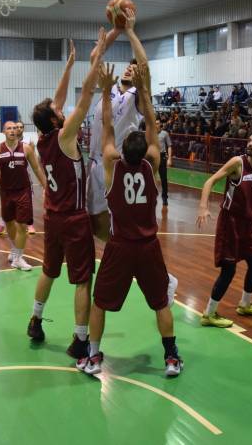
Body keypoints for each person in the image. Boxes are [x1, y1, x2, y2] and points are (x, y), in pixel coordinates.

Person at [78, 62, 183, 377]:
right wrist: (146, 94)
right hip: (148, 246)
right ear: (150, 149)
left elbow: (107, 125)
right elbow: (151, 121)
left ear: (122, 148)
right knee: (161, 304)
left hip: (120, 247)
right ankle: (172, 357)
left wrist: (107, 91)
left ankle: (94, 357)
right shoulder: (153, 165)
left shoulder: (111, 166)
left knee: (100, 303)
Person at [27, 31, 106, 360]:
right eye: (57, 110)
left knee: (49, 270)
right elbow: (87, 95)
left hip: (52, 216)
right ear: (56, 120)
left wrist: (68, 66)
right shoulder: (65, 135)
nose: (60, 108)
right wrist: (96, 59)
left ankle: (35, 318)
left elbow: (56, 102)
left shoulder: (44, 137)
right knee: (82, 279)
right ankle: (79, 339)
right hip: (73, 220)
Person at [196, 128, 252, 328]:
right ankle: (209, 313)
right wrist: (203, 207)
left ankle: (245, 303)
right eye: (249, 141)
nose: (250, 144)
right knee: (229, 270)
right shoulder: (237, 163)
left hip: (247, 224)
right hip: (230, 221)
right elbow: (210, 181)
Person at [87, 8, 146, 242]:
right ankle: (122, 255)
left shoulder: (138, 95)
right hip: (95, 161)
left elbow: (143, 64)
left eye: (135, 67)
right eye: (128, 65)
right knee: (95, 222)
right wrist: (116, 30)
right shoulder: (109, 86)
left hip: (118, 164)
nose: (130, 67)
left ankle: (142, 263)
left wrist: (130, 32)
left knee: (124, 219)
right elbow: (94, 58)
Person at [0, 121, 47, 270]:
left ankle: (18, 257)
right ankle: (15, 249)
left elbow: (37, 169)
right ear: (3, 132)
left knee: (23, 225)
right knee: (9, 223)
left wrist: (46, 187)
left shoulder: (26, 149)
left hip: (23, 191)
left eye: (14, 128)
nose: (12, 131)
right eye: (9, 129)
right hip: (5, 192)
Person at [157, 119, 172, 206]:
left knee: (164, 179)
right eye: (155, 123)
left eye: (158, 123)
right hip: (153, 157)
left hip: (162, 157)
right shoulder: (150, 133)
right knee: (150, 178)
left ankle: (164, 197)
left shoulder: (165, 133)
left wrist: (169, 159)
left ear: (160, 125)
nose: (156, 125)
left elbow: (169, 146)